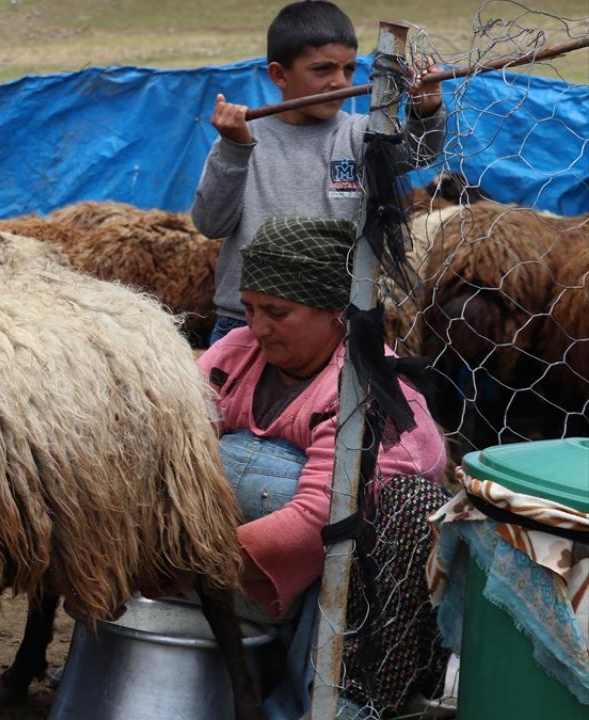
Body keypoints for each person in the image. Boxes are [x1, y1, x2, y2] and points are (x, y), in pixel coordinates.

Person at [198, 217, 450, 719]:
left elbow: (323, 513)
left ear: (337, 311)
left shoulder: (367, 390)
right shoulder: (236, 356)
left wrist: (198, 562)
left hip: (341, 581)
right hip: (235, 574)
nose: (258, 327)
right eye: (249, 308)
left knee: (390, 507)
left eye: (277, 312)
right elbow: (174, 442)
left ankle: (335, 699)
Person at [191, 0, 444, 345]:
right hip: (247, 323)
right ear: (279, 75)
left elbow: (419, 151)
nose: (338, 82)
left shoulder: (359, 134)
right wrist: (234, 148)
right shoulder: (243, 138)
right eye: (322, 70)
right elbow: (211, 224)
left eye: (348, 69)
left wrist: (425, 111)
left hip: (333, 323)